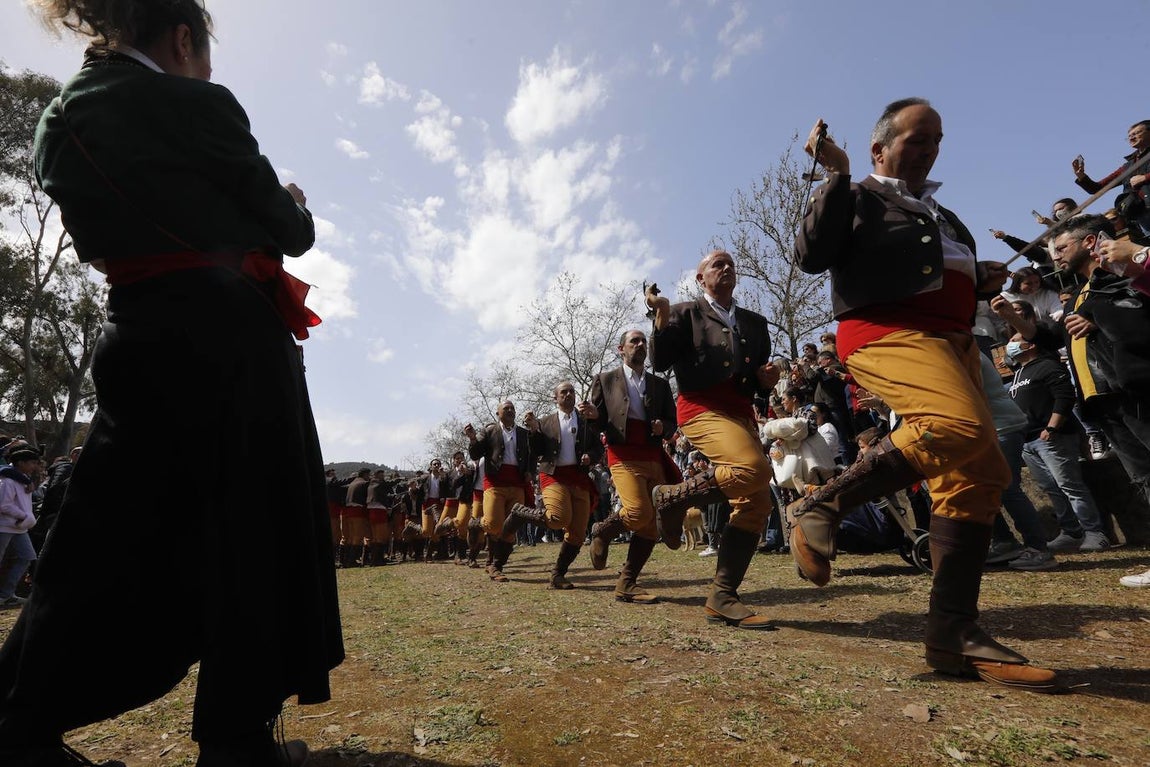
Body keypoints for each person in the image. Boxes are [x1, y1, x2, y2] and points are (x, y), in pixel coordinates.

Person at [0, 3, 344, 765]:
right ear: (182, 38)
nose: (210, 72)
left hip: (138, 337)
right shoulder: (198, 106)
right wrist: (291, 202)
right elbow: (290, 235)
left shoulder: (53, 125)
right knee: (249, 534)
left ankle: (17, 722)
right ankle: (234, 736)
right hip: (235, 344)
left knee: (99, 535)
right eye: (205, 55)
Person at [791, 98, 1057, 690]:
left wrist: (975, 278)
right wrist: (834, 175)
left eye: (937, 139)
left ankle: (952, 634)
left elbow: (945, 270)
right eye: (916, 139)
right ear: (879, 148)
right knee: (957, 428)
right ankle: (822, 503)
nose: (930, 149)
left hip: (955, 341)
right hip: (886, 331)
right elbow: (809, 256)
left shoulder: (945, 215)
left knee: (981, 473)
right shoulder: (857, 194)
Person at [646, 251, 780, 629]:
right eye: (716, 264)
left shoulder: (754, 322)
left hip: (740, 413)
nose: (726, 267)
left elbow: (756, 379)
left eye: (731, 264)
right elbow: (660, 361)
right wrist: (660, 312)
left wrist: (765, 380)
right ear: (701, 279)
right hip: (700, 409)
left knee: (757, 503)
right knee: (752, 468)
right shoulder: (684, 313)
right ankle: (673, 498)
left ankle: (722, 596)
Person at [585, 330, 679, 603]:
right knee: (638, 512)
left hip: (653, 455)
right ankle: (602, 530)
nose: (640, 345)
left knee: (650, 526)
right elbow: (599, 421)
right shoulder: (605, 380)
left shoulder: (659, 385)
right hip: (622, 454)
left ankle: (627, 582)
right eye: (633, 341)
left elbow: (672, 421)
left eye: (642, 341)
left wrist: (664, 427)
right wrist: (593, 417)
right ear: (621, 349)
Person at [505, 381, 604, 590]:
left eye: (571, 392)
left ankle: (558, 574)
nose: (568, 395)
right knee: (559, 518)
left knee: (577, 532)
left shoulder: (586, 422)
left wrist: (591, 457)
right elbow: (536, 450)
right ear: (555, 397)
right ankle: (521, 513)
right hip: (553, 475)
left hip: (579, 477)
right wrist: (533, 431)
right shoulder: (545, 422)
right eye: (564, 392)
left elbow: (598, 448)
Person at [465, 402, 540, 582]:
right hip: (494, 483)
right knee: (493, 524)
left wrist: (530, 471)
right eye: (505, 408)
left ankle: (494, 564)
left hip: (517, 483)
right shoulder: (489, 432)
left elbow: (533, 455)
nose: (510, 410)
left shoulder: (523, 433)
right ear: (498, 413)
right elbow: (475, 455)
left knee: (511, 527)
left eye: (512, 408)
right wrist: (473, 439)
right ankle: (476, 524)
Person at [0, 444, 41, 610]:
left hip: (19, 528)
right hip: (4, 527)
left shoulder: (23, 479)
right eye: (32, 463)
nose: (35, 466)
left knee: (27, 557)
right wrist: (24, 516)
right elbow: (4, 505)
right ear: (21, 463)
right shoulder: (8, 481)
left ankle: (6, 594)